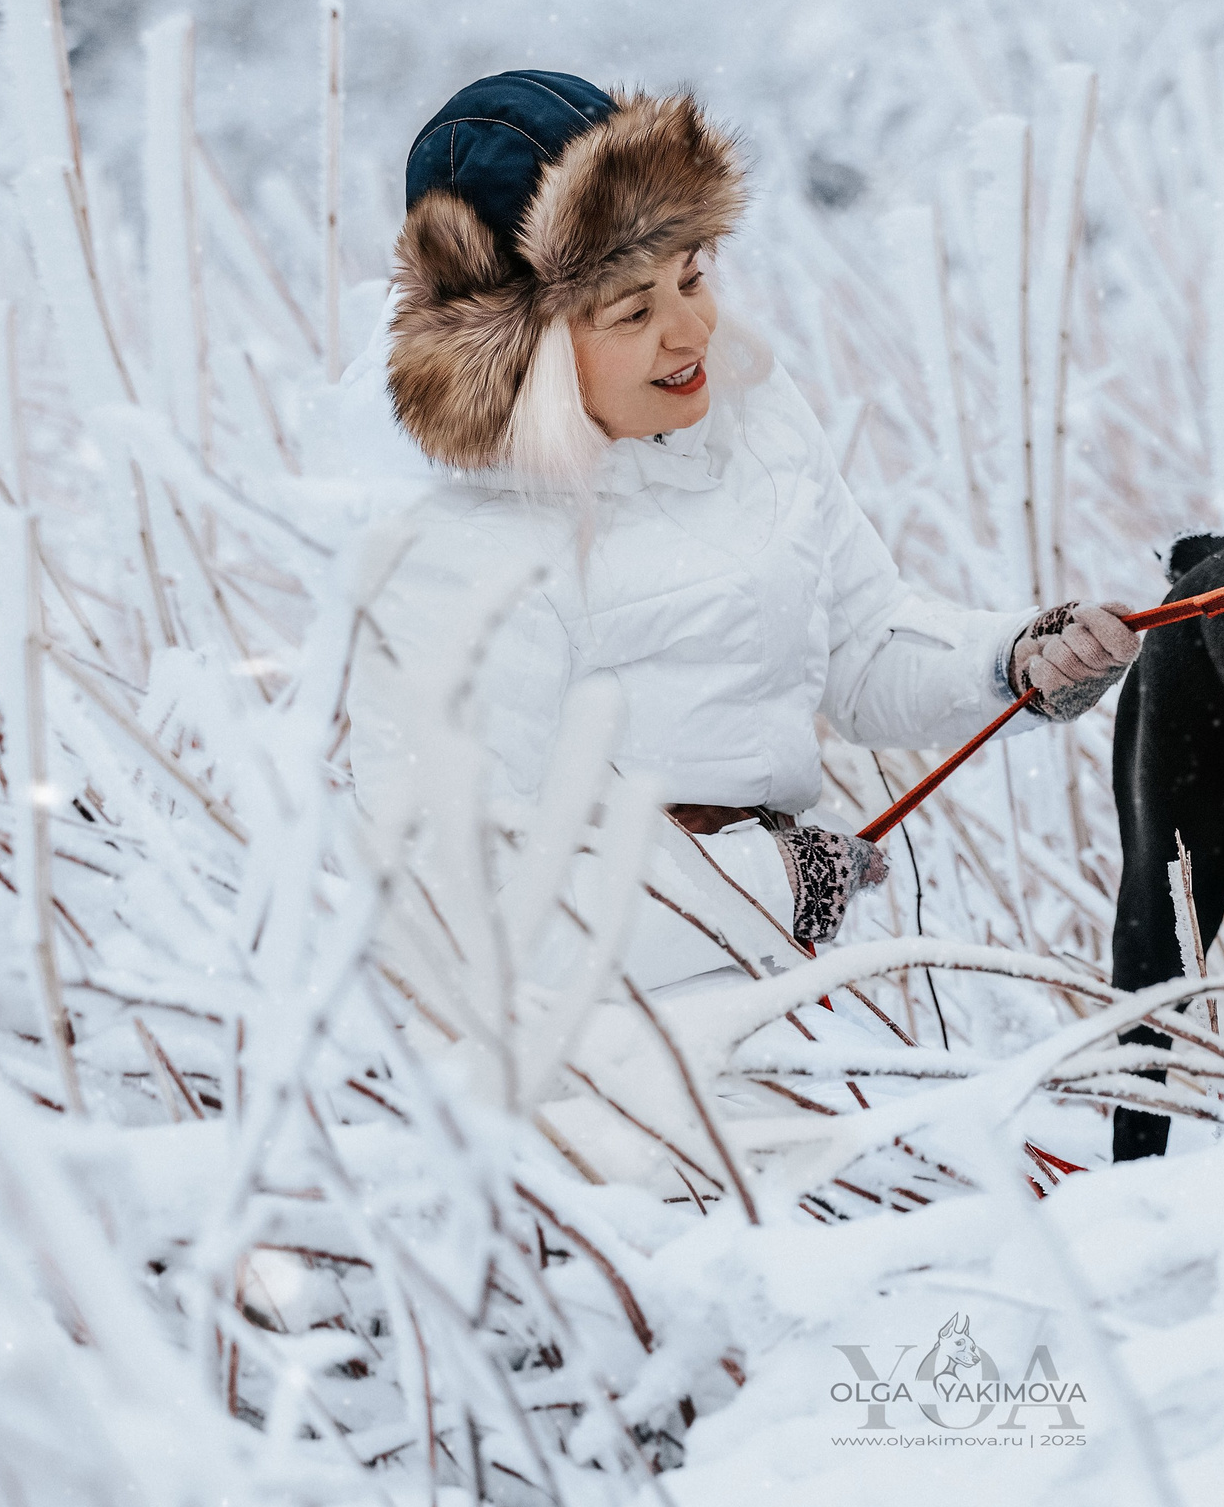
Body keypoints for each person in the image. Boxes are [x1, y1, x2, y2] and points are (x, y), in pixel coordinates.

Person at [348, 70, 1138, 1004]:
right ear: (529, 354)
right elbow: (456, 919)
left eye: (691, 277)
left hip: (781, 984)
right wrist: (768, 885)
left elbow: (859, 646)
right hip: (603, 1042)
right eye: (634, 311)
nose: (691, 331)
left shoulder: (753, 419)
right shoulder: (457, 560)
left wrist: (1013, 663)